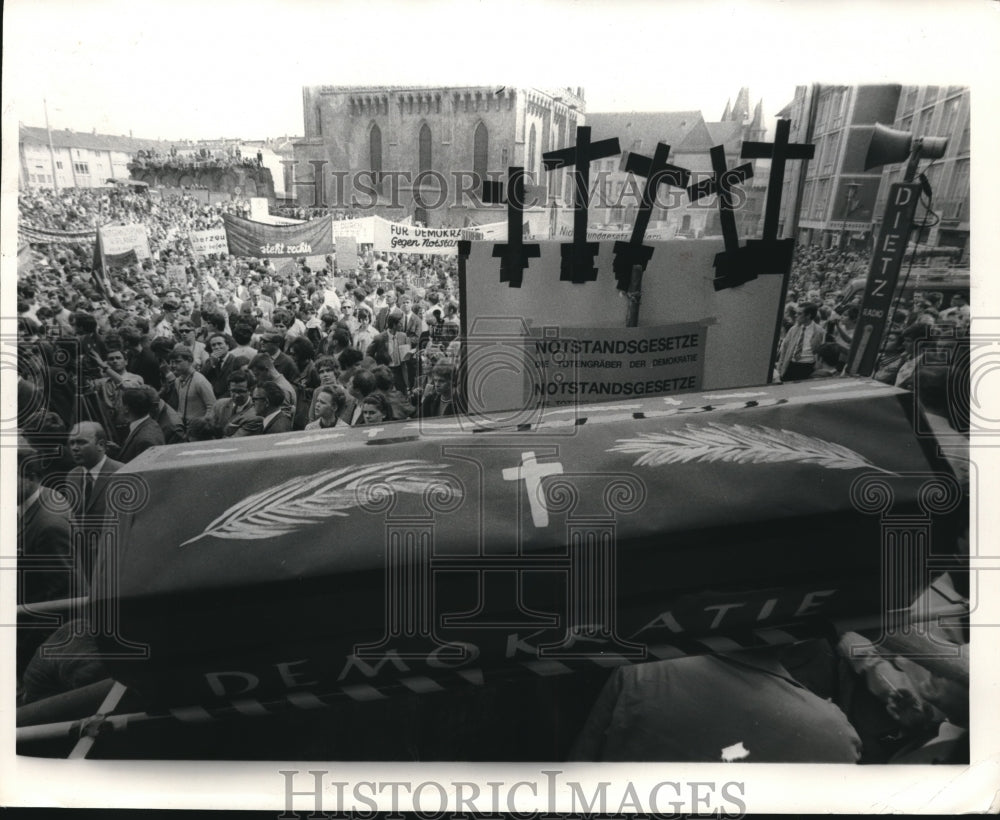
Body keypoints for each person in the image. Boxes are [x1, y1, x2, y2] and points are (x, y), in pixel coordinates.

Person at [164, 344, 216, 431]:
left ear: (189, 360)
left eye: (177, 361)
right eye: (171, 362)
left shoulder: (200, 381)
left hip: (198, 430)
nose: (173, 365)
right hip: (184, 428)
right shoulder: (177, 381)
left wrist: (202, 425)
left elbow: (213, 406)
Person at [777, 303, 824, 382]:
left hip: (807, 366)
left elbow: (820, 350)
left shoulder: (819, 331)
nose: (796, 315)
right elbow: (785, 348)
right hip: (791, 364)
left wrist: (817, 367)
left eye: (799, 313)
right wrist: (780, 366)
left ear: (808, 315)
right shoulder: (793, 329)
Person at [118, 387, 166, 462]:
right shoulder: (150, 423)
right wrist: (119, 450)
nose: (118, 406)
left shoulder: (145, 441)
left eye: (120, 403)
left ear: (126, 409)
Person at [206, 371, 259, 437]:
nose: (236, 395)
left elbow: (235, 440)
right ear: (229, 389)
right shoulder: (219, 405)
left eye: (241, 391)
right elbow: (207, 429)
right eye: (233, 391)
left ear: (250, 390)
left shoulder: (255, 413)